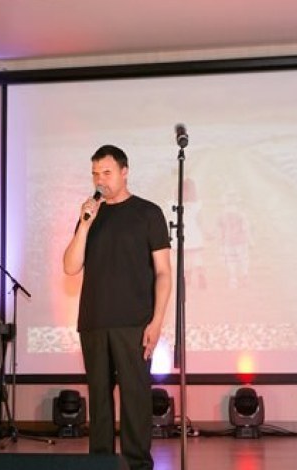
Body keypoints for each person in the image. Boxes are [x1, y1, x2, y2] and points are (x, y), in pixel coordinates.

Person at [63, 144, 172, 470]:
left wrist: (156, 322)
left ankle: (138, 465)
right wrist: (84, 224)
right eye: (95, 174)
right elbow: (70, 266)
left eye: (107, 172)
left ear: (124, 172)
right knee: (99, 399)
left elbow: (164, 273)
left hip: (134, 322)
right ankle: (101, 464)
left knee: (135, 398)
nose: (100, 180)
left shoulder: (148, 213)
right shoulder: (90, 215)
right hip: (94, 321)